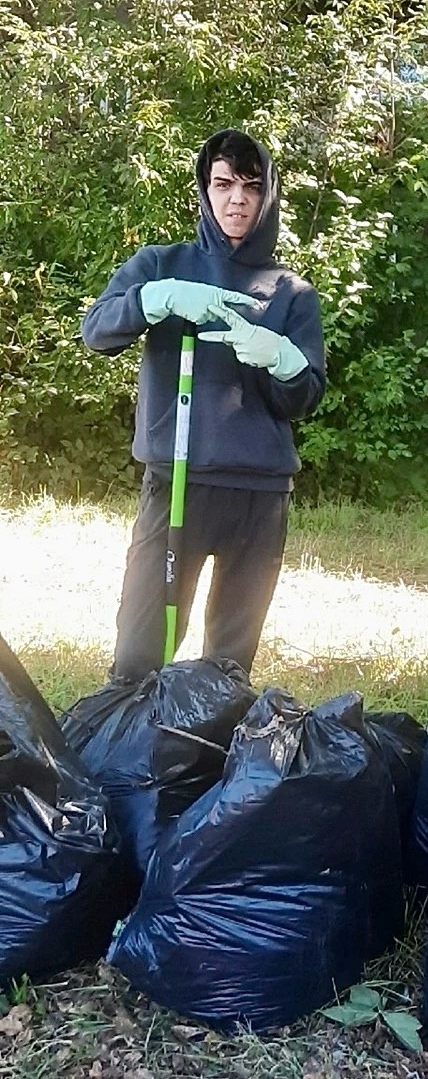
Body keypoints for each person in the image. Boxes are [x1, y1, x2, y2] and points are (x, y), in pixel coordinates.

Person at [82, 128, 326, 680]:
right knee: (143, 643)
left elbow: (305, 397)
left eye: (250, 187)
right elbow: (97, 331)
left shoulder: (291, 292)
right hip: (177, 480)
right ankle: (126, 751)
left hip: (258, 493)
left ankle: (210, 756)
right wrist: (155, 299)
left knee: (229, 661)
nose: (236, 200)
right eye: (223, 184)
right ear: (205, 189)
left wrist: (283, 359)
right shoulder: (162, 264)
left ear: (268, 197)